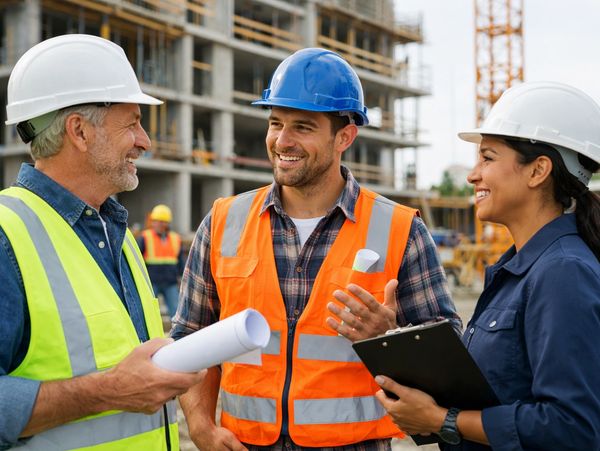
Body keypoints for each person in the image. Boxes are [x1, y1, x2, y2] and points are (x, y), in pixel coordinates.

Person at [172, 47, 461, 450]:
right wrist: (201, 427)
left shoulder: (400, 230)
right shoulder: (224, 221)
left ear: (345, 136)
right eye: (276, 123)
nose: (281, 141)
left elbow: (449, 364)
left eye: (303, 127)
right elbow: (191, 339)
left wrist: (389, 337)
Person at [0, 34, 204, 450]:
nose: (145, 141)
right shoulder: (7, 234)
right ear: (79, 131)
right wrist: (107, 391)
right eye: (132, 123)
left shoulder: (117, 235)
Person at [373, 81, 600, 449]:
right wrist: (393, 340)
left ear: (538, 170)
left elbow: (571, 428)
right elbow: (493, 391)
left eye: (488, 158)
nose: (472, 174)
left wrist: (443, 420)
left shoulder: (562, 273)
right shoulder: (520, 270)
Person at [138, 204, 185, 318]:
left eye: (160, 221)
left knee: (176, 312)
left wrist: (182, 278)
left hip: (171, 282)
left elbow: (180, 261)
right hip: (151, 282)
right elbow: (137, 260)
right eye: (155, 221)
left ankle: (177, 335)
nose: (156, 224)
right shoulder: (145, 237)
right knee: (148, 312)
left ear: (166, 223)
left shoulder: (176, 238)